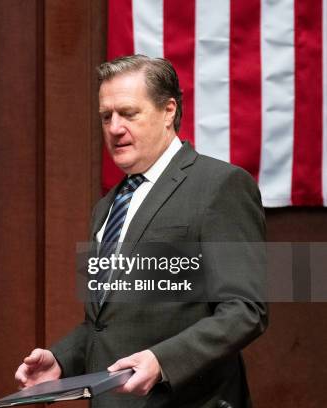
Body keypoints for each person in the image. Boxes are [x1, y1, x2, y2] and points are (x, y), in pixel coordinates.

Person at [14, 55, 268, 407]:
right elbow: (106, 323)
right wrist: (60, 359)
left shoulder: (219, 186)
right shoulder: (107, 207)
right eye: (106, 116)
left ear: (168, 111)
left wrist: (163, 361)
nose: (115, 127)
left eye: (128, 113)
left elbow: (245, 310)